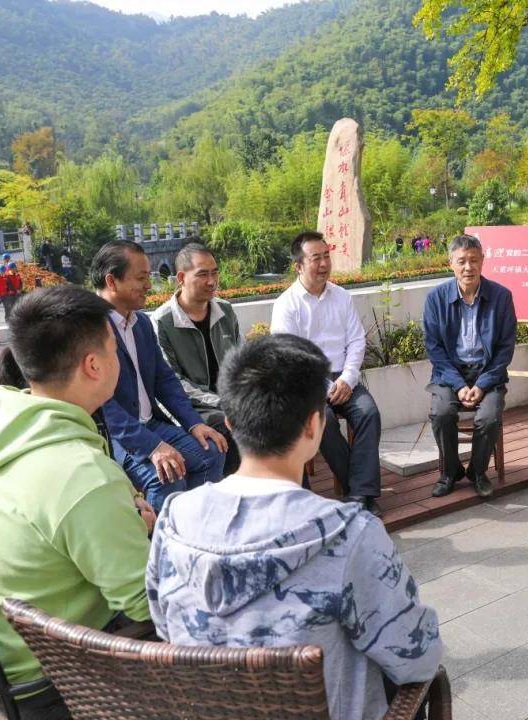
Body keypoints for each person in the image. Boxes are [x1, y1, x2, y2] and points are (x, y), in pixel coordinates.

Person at [147, 333, 443, 720]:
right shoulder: (349, 533)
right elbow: (416, 657)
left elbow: (165, 627)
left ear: (230, 423)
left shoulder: (174, 517)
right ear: (313, 425)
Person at [0, 286, 155, 720]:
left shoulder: (8, 427)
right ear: (93, 365)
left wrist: (122, 520)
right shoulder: (81, 474)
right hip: (50, 683)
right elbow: (146, 603)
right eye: (114, 349)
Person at [92, 240, 227, 513]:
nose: (149, 286)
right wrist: (152, 447)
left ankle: (194, 525)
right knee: (166, 475)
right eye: (141, 278)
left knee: (211, 451)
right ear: (112, 281)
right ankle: (159, 538)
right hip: (115, 436)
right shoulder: (90, 330)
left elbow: (165, 380)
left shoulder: (141, 323)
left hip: (151, 423)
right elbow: (101, 405)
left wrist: (193, 424)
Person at [270, 231, 382, 515]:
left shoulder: (341, 296)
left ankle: (359, 494)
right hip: (307, 383)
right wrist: (325, 386)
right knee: (325, 421)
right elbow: (291, 357)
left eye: (326, 256)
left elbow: (356, 341)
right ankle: (360, 490)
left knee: (369, 413)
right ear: (298, 266)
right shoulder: (286, 305)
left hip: (345, 377)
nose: (323, 264)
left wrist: (347, 379)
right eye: (315, 258)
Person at [423, 234, 517, 499]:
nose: (468, 267)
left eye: (474, 260)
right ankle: (450, 472)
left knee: (488, 418)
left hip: (488, 373)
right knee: (441, 413)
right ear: (450, 263)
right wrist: (459, 385)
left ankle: (477, 472)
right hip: (449, 374)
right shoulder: (436, 298)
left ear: (482, 261)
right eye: (461, 261)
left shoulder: (501, 297)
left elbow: (505, 348)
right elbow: (434, 349)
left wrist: (483, 384)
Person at [151, 243, 243, 475]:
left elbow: (243, 361)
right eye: (202, 274)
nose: (212, 281)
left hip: (229, 399)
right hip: (192, 408)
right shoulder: (162, 321)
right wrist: (220, 401)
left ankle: (291, 493)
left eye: (215, 273)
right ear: (182, 277)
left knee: (277, 419)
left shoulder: (225, 311)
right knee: (229, 429)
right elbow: (172, 381)